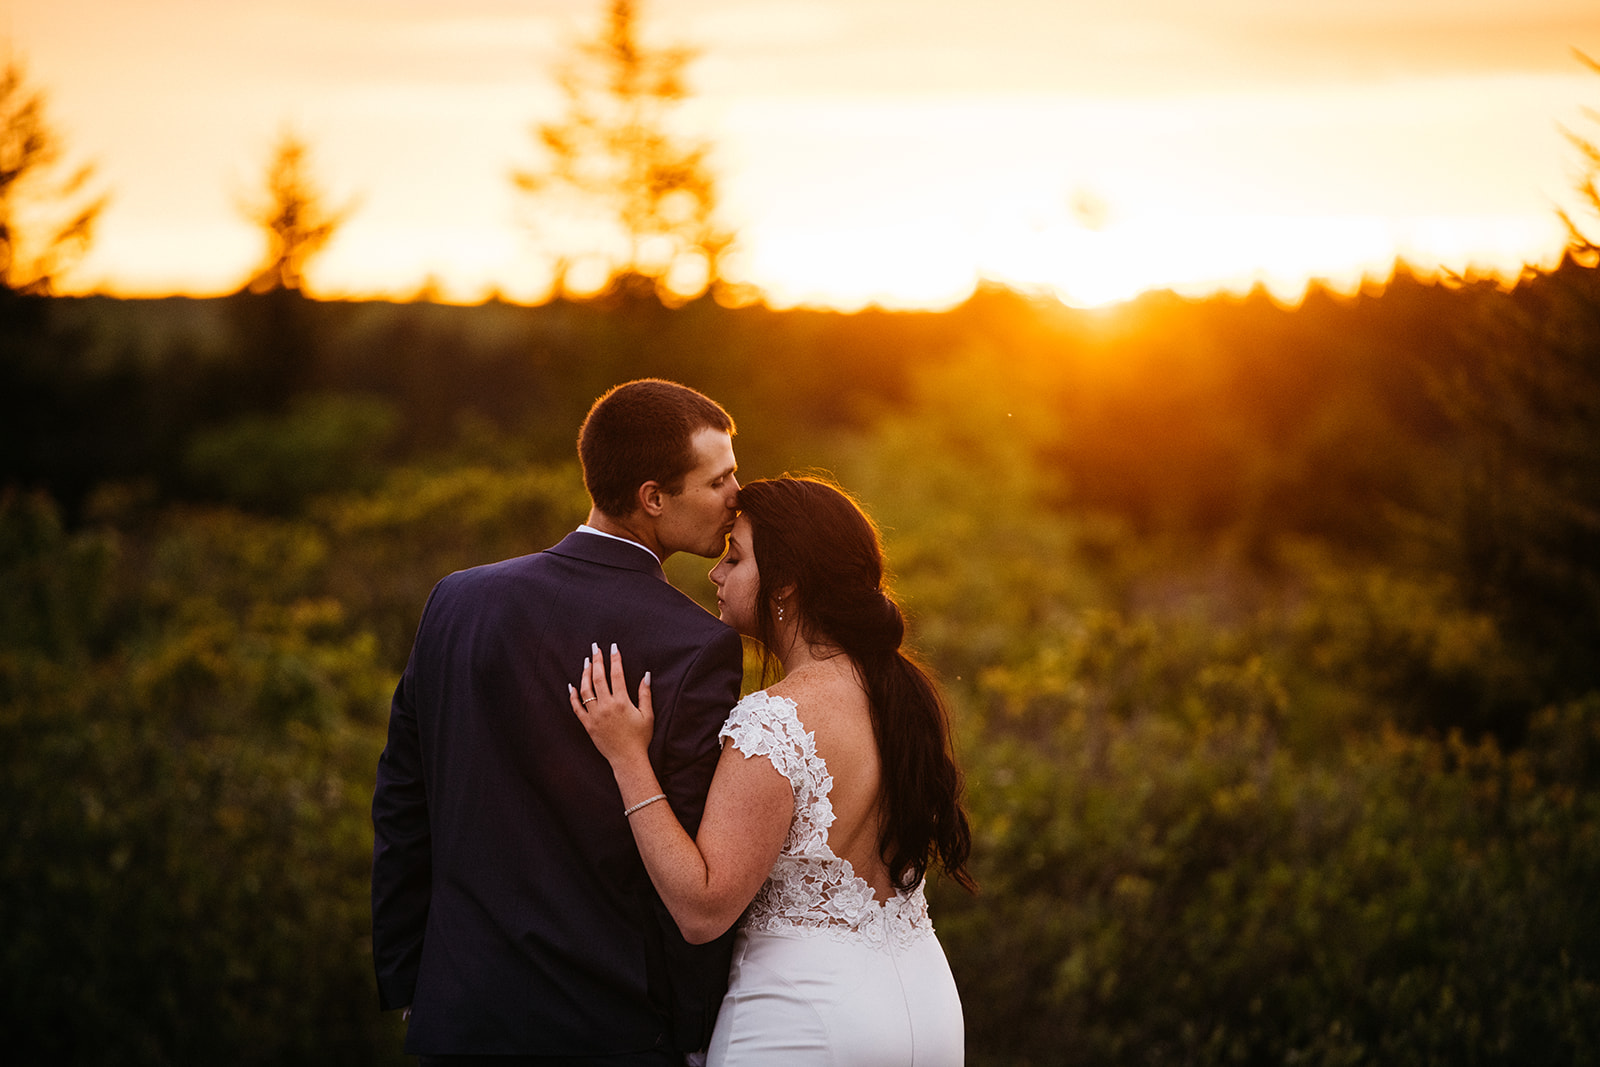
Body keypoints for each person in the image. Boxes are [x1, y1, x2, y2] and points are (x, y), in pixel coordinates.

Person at [372, 379, 745, 1065]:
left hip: (457, 1014)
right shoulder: (695, 648)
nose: (736, 497)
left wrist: (410, 977)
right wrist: (692, 1032)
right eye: (719, 480)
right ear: (653, 497)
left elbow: (403, 802)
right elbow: (688, 849)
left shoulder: (457, 600)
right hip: (609, 1027)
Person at [571, 475, 975, 1065]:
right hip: (925, 1001)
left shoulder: (776, 720)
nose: (716, 573)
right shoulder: (899, 695)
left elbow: (703, 910)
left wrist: (627, 755)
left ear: (784, 583)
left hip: (808, 1018)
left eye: (735, 558)